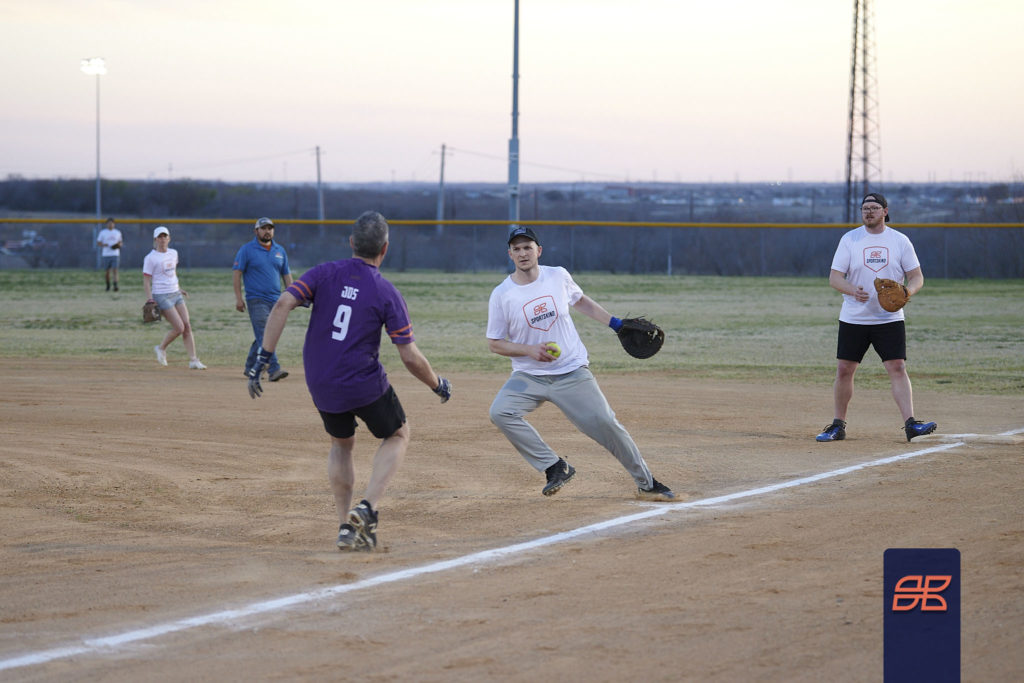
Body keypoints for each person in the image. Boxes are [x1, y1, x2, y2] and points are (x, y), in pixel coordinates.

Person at [247, 211, 451, 552]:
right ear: (385, 248)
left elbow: (283, 303)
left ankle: (345, 526)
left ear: (352, 242)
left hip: (321, 381)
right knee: (398, 434)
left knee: (341, 444)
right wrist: (437, 384)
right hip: (362, 381)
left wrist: (263, 358)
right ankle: (367, 508)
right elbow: (410, 357)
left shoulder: (324, 273)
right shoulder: (385, 291)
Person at [486, 226, 675, 501]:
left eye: (528, 247)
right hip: (528, 376)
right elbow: (494, 343)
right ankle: (555, 466)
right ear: (510, 255)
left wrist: (615, 323)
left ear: (539, 251)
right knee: (501, 412)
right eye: (517, 249)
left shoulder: (557, 276)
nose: (523, 253)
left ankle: (647, 483)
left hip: (571, 372)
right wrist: (529, 350)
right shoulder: (502, 294)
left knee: (607, 424)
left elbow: (580, 301)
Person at [815, 193, 937, 443]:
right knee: (845, 370)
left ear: (885, 211)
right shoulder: (850, 239)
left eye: (874, 207)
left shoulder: (899, 241)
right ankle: (837, 426)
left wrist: (908, 292)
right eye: (865, 208)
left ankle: (911, 425)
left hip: (889, 318)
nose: (868, 211)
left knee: (897, 367)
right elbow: (834, 278)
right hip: (854, 317)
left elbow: (916, 276)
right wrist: (852, 290)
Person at [233, 217, 293, 381]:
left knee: (265, 334)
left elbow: (286, 274)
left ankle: (250, 366)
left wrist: (293, 295)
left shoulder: (280, 250)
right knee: (264, 332)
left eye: (270, 228)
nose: (267, 231)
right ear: (256, 231)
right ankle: (274, 369)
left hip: (276, 300)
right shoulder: (246, 250)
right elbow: (237, 274)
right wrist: (238, 298)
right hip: (256, 299)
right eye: (264, 228)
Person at [142, 226, 207, 370]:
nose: (162, 239)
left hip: (175, 293)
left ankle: (193, 360)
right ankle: (161, 348)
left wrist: (178, 288)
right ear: (155, 239)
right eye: (160, 237)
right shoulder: (150, 258)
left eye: (165, 236)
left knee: (187, 325)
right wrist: (150, 299)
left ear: (169, 238)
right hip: (161, 295)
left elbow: (172, 274)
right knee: (179, 327)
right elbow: (146, 281)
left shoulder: (173, 253)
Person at [96, 217, 122, 291]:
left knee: (115, 270)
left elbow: (120, 242)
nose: (110, 225)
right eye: (109, 223)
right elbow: (98, 242)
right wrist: (104, 245)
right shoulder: (103, 232)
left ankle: (115, 285)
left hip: (115, 254)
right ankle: (108, 285)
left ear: (114, 224)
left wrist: (118, 245)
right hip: (106, 254)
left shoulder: (117, 232)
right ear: (106, 224)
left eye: (112, 223)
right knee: (107, 271)